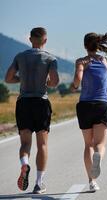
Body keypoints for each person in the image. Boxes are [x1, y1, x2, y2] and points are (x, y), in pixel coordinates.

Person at [5, 27, 59, 194]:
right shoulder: (50, 58)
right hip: (41, 102)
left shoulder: (20, 57)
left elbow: (8, 78)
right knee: (42, 144)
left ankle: (24, 164)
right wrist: (45, 81)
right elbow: (54, 82)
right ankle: (39, 183)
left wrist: (22, 78)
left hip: (24, 103)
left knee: (25, 143)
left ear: (30, 39)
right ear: (45, 40)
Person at [70, 31, 107, 192]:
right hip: (102, 104)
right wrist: (106, 84)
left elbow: (78, 78)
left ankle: (91, 181)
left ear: (85, 46)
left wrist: (74, 86)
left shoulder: (82, 61)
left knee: (88, 144)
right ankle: (98, 156)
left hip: (85, 105)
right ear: (98, 45)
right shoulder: (106, 61)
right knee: (100, 144)